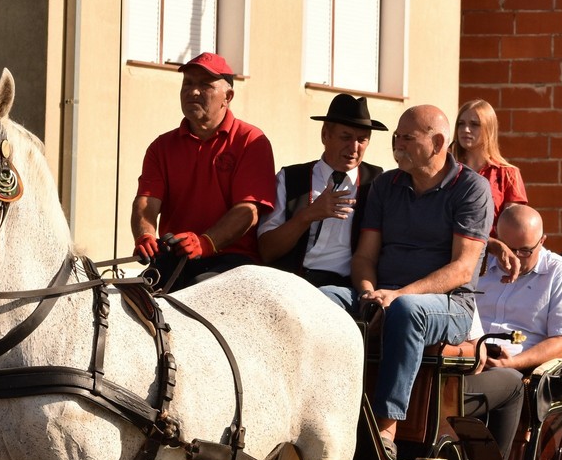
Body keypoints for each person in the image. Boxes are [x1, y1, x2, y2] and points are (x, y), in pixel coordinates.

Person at [322, 104, 492, 460]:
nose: (397, 144)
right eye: (396, 137)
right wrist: (368, 293)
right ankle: (320, 413)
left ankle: (386, 428)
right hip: (383, 293)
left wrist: (399, 294)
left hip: (450, 306)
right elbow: (365, 257)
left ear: (438, 143)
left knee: (407, 310)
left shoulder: (471, 188)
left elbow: (463, 269)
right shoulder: (386, 185)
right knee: (322, 299)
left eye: (407, 138)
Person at [131, 52, 276, 288]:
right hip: (176, 257)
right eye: (188, 83)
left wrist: (206, 242)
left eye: (205, 85)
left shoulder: (251, 140)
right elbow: (146, 202)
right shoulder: (161, 146)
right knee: (133, 296)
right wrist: (145, 235)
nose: (193, 91)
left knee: (196, 290)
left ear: (228, 96)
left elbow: (248, 211)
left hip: (232, 260)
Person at [464, 204, 562, 460]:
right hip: (467, 355)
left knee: (459, 394)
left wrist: (512, 362)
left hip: (515, 368)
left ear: (543, 241)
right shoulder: (479, 264)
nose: (514, 259)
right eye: (507, 249)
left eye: (525, 251)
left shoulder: (559, 272)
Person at [257, 93, 385, 287]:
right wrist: (308, 215)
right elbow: (267, 251)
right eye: (346, 137)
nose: (354, 147)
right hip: (289, 283)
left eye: (362, 139)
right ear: (325, 135)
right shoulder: (290, 178)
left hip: (345, 287)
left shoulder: (377, 183)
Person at [454, 99, 528, 279]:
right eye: (461, 124)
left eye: (474, 124)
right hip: (450, 257)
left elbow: (513, 230)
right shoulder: (447, 171)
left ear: (489, 129)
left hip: (493, 265)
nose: (465, 130)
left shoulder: (508, 174)